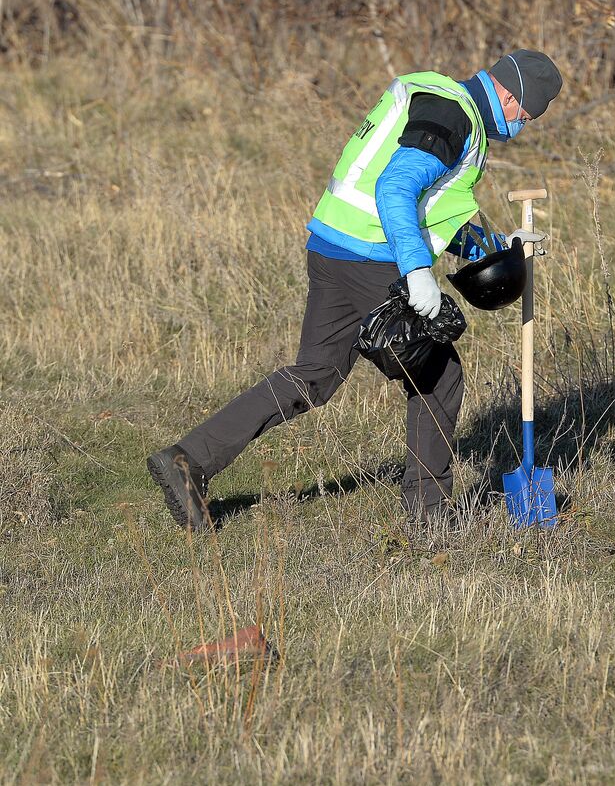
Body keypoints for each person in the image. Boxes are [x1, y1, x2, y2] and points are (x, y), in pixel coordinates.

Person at [146, 49, 563, 531]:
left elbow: (433, 208)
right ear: (509, 95)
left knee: (316, 374)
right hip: (373, 257)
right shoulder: (454, 116)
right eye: (526, 116)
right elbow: (395, 189)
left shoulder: (437, 94)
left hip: (331, 246)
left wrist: (498, 247)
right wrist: (416, 271)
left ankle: (188, 461)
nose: (522, 126)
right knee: (437, 377)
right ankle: (429, 517)